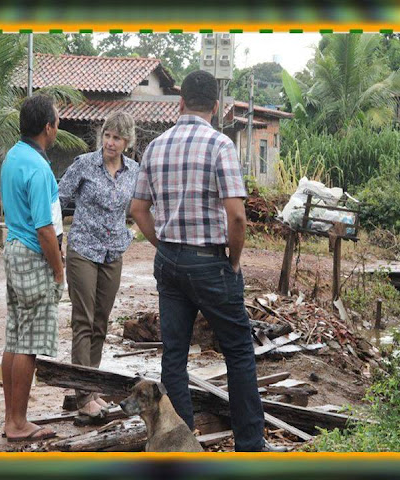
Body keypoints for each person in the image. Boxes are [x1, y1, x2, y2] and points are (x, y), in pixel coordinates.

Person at [131, 70, 285, 452]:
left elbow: (138, 209)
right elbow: (236, 216)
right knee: (237, 351)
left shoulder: (156, 147)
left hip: (170, 262)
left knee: (175, 358)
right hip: (211, 262)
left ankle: (182, 447)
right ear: (215, 108)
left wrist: (163, 244)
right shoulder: (220, 146)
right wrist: (233, 262)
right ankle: (250, 445)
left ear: (180, 102)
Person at [59, 112, 139, 418]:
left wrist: (135, 234)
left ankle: (89, 386)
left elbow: (143, 206)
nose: (110, 142)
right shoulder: (84, 164)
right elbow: (59, 198)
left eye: (117, 137)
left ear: (127, 142)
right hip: (83, 249)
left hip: (112, 253)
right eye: (107, 135)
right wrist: (55, 240)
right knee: (84, 319)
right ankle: (84, 395)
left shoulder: (134, 172)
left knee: (101, 322)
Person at [0, 94, 64, 442]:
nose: (57, 128)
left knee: (14, 336)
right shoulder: (38, 167)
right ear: (47, 127)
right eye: (56, 121)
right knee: (28, 343)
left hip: (12, 248)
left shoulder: (13, 156)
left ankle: (11, 417)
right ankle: (19, 422)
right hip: (32, 253)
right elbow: (44, 228)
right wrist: (58, 271)